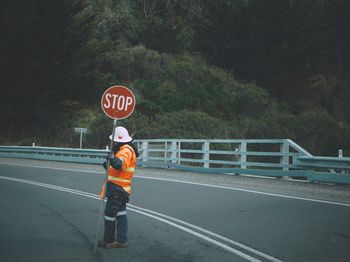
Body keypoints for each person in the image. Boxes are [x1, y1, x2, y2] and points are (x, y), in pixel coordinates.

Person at [97, 126, 139, 248]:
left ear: (119, 140)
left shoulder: (125, 150)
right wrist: (109, 162)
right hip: (121, 188)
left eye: (114, 140)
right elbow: (115, 168)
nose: (113, 142)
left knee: (109, 215)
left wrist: (113, 159)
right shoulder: (123, 149)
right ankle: (121, 240)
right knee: (120, 214)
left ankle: (108, 240)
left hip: (117, 189)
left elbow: (120, 165)